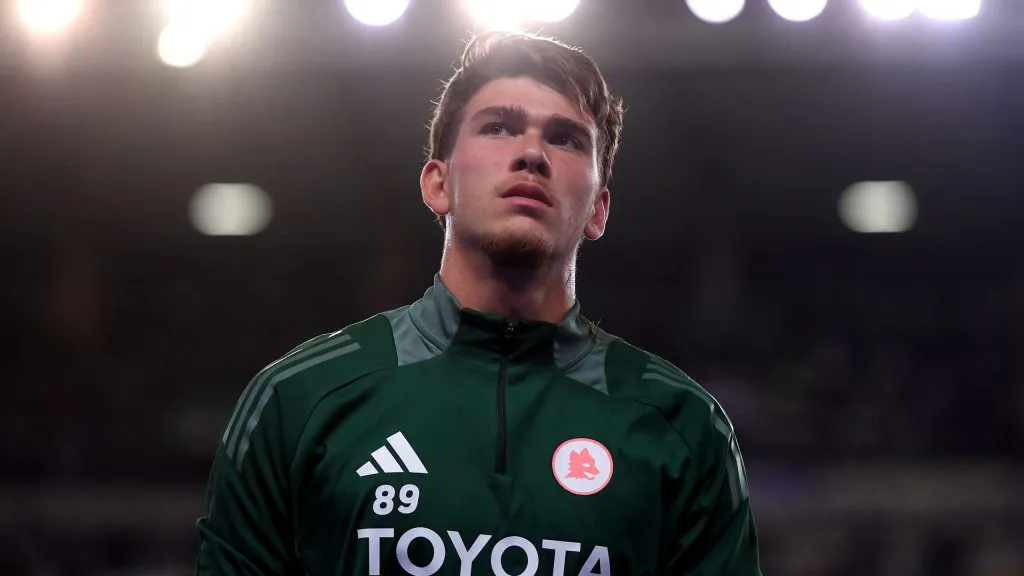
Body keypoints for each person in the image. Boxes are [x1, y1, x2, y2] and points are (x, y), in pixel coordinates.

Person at [196, 30, 762, 576]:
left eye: (565, 139)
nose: (532, 154)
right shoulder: (296, 400)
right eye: (498, 128)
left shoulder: (683, 427)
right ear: (437, 184)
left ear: (598, 210)